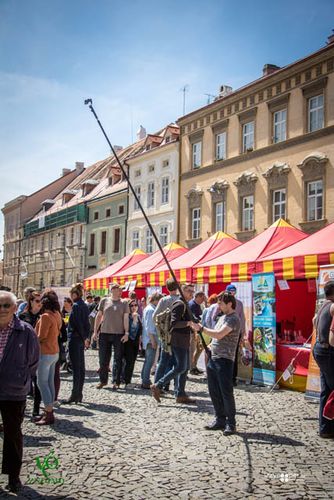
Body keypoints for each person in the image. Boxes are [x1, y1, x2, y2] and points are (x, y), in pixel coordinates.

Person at [0, 290, 39, 493]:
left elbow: (33, 361)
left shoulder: (26, 331)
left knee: (13, 434)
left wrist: (20, 377)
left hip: (14, 391)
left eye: (6, 305)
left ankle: (13, 477)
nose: (2, 309)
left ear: (15, 308)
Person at [193, 291, 240, 435]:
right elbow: (216, 336)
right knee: (214, 391)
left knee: (226, 392)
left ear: (229, 304)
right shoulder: (223, 317)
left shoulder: (233, 319)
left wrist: (202, 329)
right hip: (214, 357)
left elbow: (219, 334)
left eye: (221, 303)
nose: (218, 305)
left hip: (225, 360)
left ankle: (231, 423)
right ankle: (219, 419)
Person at [151, 284, 197, 404]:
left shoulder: (185, 304)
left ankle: (180, 394)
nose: (192, 293)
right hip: (178, 340)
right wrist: (189, 323)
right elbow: (174, 323)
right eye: (189, 291)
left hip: (184, 340)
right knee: (180, 367)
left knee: (185, 368)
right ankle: (158, 385)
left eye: (193, 291)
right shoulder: (179, 304)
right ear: (182, 291)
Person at [93, 283, 130, 390]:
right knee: (103, 358)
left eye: (121, 290)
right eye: (119, 289)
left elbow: (126, 318)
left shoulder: (124, 303)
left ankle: (116, 381)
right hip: (104, 333)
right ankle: (103, 380)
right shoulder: (104, 301)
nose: (121, 291)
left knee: (118, 359)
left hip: (119, 334)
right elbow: (99, 316)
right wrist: (95, 332)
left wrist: (126, 333)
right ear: (113, 290)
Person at [35, 291, 62, 425]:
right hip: (54, 351)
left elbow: (41, 336)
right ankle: (49, 409)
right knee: (49, 381)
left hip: (45, 353)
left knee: (42, 382)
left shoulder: (46, 316)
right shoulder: (57, 314)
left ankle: (48, 412)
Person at [313, 280, 334, 438]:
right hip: (328, 350)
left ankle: (325, 428)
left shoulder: (323, 305)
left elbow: (314, 321)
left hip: (319, 348)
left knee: (326, 390)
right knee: (331, 390)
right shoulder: (333, 306)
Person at [64, 284, 90, 404]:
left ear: (74, 294)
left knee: (76, 368)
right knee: (80, 368)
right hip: (80, 339)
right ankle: (79, 393)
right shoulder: (84, 305)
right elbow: (86, 324)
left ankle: (75, 394)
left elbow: (78, 324)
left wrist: (82, 337)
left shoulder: (75, 306)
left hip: (75, 339)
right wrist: (85, 337)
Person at [19, 291, 43, 417]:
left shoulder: (43, 316)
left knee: (37, 381)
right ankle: (21, 408)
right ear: (31, 301)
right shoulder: (24, 316)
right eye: (37, 301)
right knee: (24, 381)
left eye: (41, 301)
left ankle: (36, 409)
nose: (40, 304)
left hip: (39, 352)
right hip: (25, 352)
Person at [153, 278, 180, 391]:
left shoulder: (164, 300)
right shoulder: (180, 300)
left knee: (163, 362)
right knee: (177, 363)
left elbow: (155, 316)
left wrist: (160, 328)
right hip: (178, 335)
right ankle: (177, 388)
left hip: (165, 335)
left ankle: (157, 385)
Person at [225, 285, 246, 385]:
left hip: (236, 333)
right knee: (225, 355)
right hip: (225, 332)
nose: (232, 293)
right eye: (231, 291)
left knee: (234, 355)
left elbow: (242, 319)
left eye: (234, 291)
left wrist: (242, 333)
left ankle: (233, 378)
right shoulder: (223, 302)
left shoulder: (239, 303)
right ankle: (225, 377)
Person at [141, 292, 163, 389]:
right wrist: (153, 340)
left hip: (150, 338)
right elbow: (149, 327)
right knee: (149, 361)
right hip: (151, 339)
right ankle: (145, 380)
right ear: (156, 300)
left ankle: (144, 379)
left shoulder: (149, 308)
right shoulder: (150, 310)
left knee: (148, 360)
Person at [123, 300, 142, 387]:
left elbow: (140, 331)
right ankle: (127, 381)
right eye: (131, 305)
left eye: (136, 305)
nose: (134, 307)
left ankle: (127, 379)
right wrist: (134, 321)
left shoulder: (137, 316)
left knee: (132, 362)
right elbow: (132, 333)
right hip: (129, 342)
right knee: (129, 362)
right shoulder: (129, 316)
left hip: (135, 343)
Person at [188, 291, 206, 375]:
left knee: (196, 349)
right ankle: (191, 368)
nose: (203, 300)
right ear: (198, 296)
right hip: (192, 331)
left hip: (194, 331)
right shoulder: (192, 305)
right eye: (202, 298)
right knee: (192, 350)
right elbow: (193, 318)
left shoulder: (196, 304)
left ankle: (193, 366)